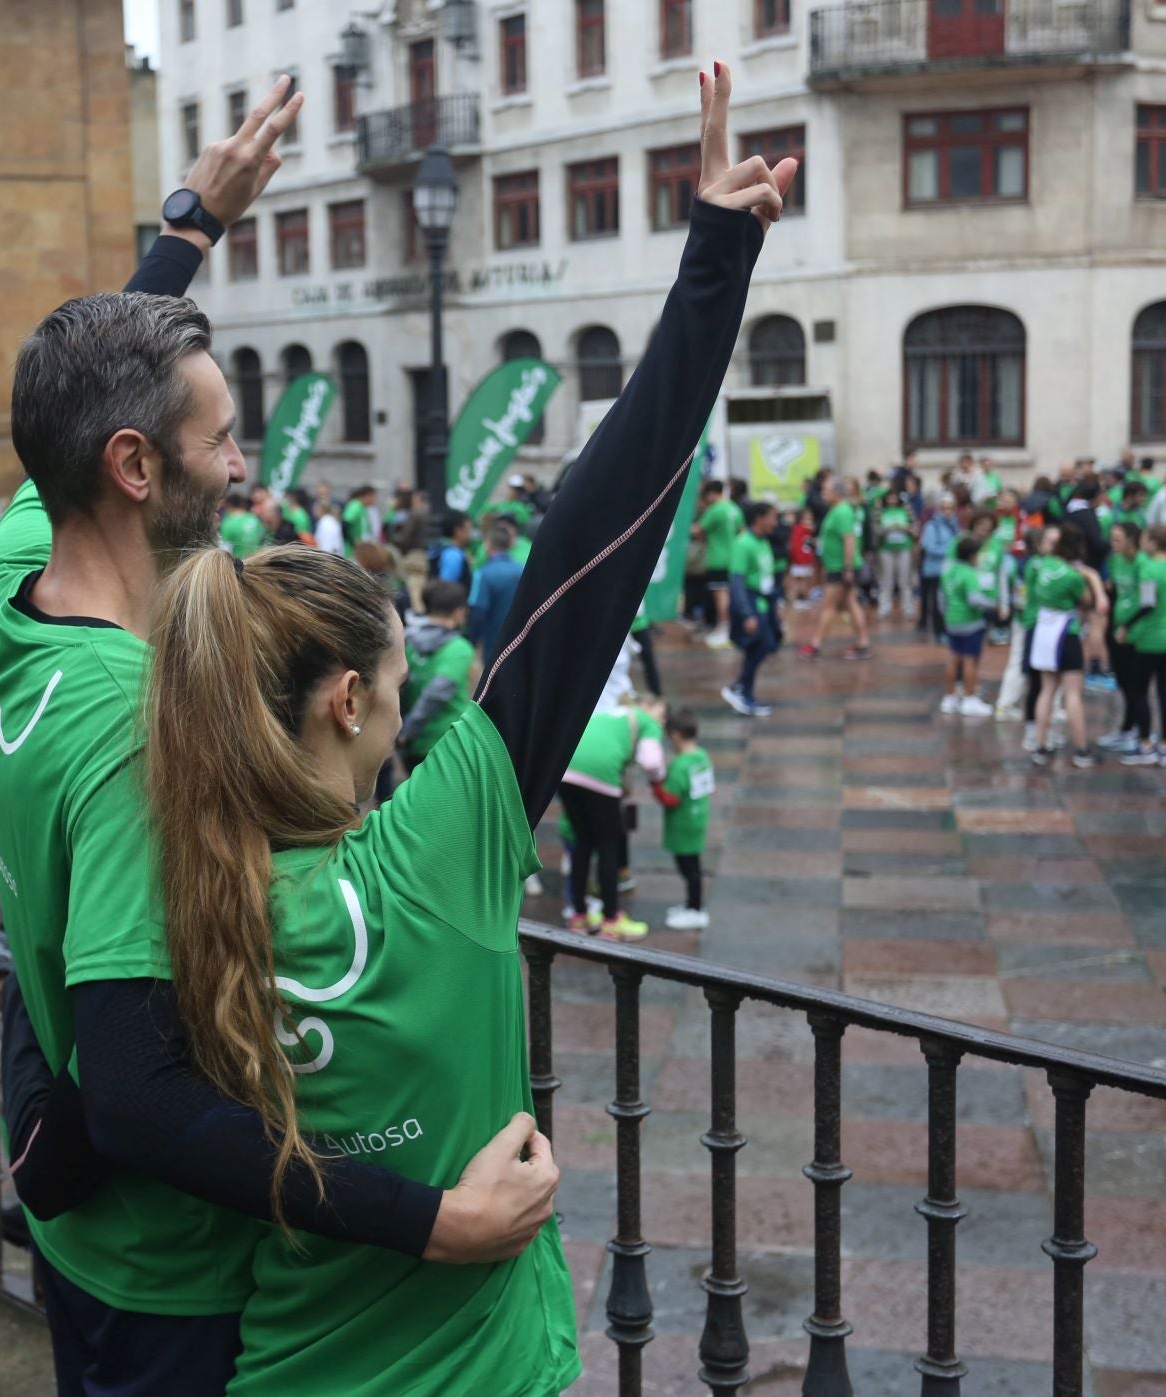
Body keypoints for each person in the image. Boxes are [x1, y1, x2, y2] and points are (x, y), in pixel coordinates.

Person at [110, 84, 784, 1390]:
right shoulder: (443, 841)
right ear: (348, 703)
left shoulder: (164, 854)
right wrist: (714, 258)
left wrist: (183, 229)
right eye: (400, 669)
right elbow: (594, 543)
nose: (419, 694)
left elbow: (76, 480)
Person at [0, 72, 576, 1394]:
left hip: (74, 1234)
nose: (243, 466)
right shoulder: (139, 727)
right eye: (223, 440)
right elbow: (136, 1089)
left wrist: (193, 223)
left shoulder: (13, 585)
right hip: (175, 1272)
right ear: (134, 468)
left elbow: (79, 392)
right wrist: (434, 1220)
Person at [561, 702, 667, 939]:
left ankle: (579, 915)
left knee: (583, 841)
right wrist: (659, 778)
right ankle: (611, 919)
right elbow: (652, 762)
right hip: (600, 774)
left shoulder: (612, 713)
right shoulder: (647, 722)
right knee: (609, 846)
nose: (662, 721)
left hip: (566, 768)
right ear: (646, 706)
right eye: (662, 714)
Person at [1028, 524, 1104, 768]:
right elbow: (1086, 600)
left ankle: (1040, 746)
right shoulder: (1072, 576)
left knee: (1046, 690)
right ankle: (1081, 750)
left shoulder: (1043, 565)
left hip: (1043, 630)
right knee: (1072, 693)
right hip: (1066, 634)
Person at [1118, 525, 1166, 767]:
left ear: (1153, 543)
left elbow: (1147, 603)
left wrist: (1126, 624)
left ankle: (1145, 743)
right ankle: (1165, 746)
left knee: (1139, 690)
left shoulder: (1148, 568)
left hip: (1149, 638)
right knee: (1165, 692)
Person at [398, 580, 475, 770]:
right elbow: (436, 694)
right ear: (458, 611)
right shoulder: (459, 648)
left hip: (412, 744)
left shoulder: (406, 643)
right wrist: (408, 731)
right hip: (446, 742)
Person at [651, 707, 713, 929]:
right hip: (698, 818)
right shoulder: (702, 756)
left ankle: (695, 910)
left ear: (675, 735)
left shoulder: (680, 765)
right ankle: (691, 905)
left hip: (683, 823)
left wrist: (656, 784)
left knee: (689, 869)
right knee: (694, 865)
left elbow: (671, 798)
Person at [799, 475, 870, 660]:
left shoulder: (843, 512)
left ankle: (816, 644)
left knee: (828, 606)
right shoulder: (836, 510)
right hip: (837, 565)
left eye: (826, 491)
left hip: (841, 567)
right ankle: (863, 643)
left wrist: (847, 568)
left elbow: (849, 540)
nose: (823, 494)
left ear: (837, 493)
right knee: (850, 604)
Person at [724, 499, 781, 717]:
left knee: (765, 645)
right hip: (751, 601)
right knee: (761, 645)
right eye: (772, 518)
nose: (775, 523)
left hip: (764, 601)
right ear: (760, 519)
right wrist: (746, 613)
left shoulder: (763, 542)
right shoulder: (743, 543)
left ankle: (739, 687)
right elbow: (737, 581)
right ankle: (743, 692)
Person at [1100, 522, 1145, 755]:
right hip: (1115, 628)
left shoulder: (1142, 563)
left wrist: (1128, 625)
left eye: (1117, 539)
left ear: (1131, 540)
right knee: (1122, 681)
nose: (1113, 543)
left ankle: (1137, 730)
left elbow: (1148, 601)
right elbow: (1116, 590)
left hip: (1136, 632)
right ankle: (1126, 728)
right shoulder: (1115, 560)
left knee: (1135, 684)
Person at [939, 535, 992, 717]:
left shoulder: (949, 571)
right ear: (971, 556)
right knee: (970, 661)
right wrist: (992, 604)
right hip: (971, 623)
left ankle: (950, 696)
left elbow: (942, 598)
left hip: (952, 621)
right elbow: (974, 599)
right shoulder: (970, 574)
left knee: (953, 658)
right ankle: (970, 698)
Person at [467, 517, 522, 658]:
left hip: (493, 639)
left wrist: (472, 641)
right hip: (520, 637)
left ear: (488, 544)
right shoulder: (522, 569)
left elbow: (479, 610)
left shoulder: (484, 573)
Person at [696, 479, 742, 648]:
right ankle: (729, 627)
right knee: (729, 593)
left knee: (720, 594)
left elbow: (699, 529)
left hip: (717, 558)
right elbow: (741, 531)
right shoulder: (734, 508)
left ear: (711, 493)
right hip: (733, 558)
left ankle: (724, 629)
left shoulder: (714, 510)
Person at [919, 494, 958, 640]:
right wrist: (951, 550)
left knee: (948, 602)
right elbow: (929, 547)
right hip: (935, 570)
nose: (947, 511)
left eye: (950, 508)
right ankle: (939, 632)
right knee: (936, 603)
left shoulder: (955, 525)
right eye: (944, 508)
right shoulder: (931, 526)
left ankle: (948, 628)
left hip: (951, 570)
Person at [876, 487, 918, 619]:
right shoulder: (880, 511)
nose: (892, 500)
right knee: (886, 579)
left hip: (904, 547)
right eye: (890, 497)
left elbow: (915, 527)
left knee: (905, 579)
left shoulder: (906, 510)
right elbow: (876, 529)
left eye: (894, 497)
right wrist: (886, 529)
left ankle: (908, 607)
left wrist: (905, 528)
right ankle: (884, 607)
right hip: (886, 548)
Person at [427, 509, 474, 590]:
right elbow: (445, 590)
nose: (470, 534)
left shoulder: (438, 548)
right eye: (468, 529)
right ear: (458, 531)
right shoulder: (453, 555)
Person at [218, 489, 264, 559]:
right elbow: (261, 539)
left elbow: (225, 552)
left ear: (228, 505)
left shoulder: (228, 524)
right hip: (256, 562)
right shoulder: (254, 518)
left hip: (239, 565)